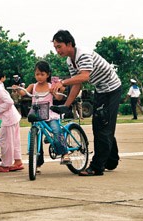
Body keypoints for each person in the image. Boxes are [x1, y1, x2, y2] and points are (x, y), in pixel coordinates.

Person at [51, 30, 122, 176]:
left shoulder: (83, 54)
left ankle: (97, 167)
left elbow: (84, 76)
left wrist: (62, 82)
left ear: (69, 44)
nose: (57, 50)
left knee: (103, 128)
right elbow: (77, 84)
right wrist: (67, 105)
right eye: (55, 48)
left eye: (59, 46)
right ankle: (111, 160)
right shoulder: (70, 60)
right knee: (101, 126)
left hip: (112, 89)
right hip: (101, 90)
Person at [13, 61, 68, 170]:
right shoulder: (32, 86)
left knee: (56, 130)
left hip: (49, 114)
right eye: (37, 74)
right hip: (36, 114)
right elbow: (24, 93)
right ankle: (37, 162)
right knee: (36, 138)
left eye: (42, 74)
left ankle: (64, 153)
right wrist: (18, 89)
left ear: (48, 75)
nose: (39, 77)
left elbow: (59, 98)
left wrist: (57, 91)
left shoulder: (50, 86)